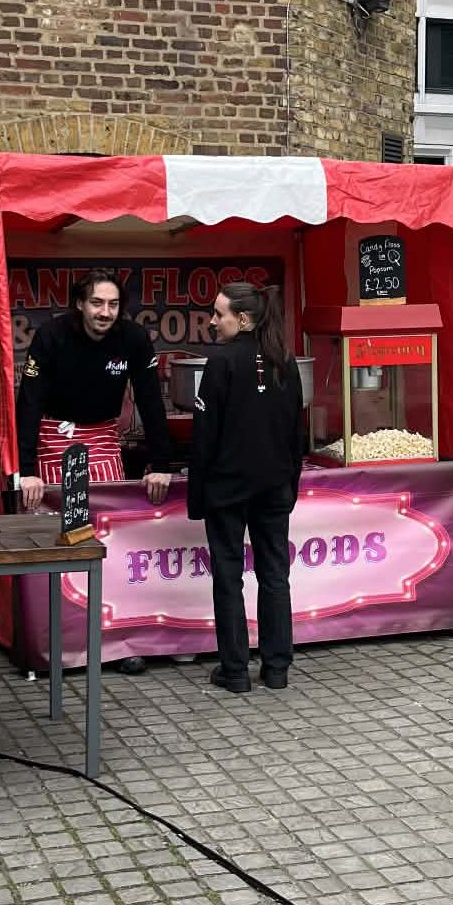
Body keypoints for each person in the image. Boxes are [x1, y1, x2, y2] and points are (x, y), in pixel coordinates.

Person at [15, 270, 175, 674]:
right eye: (97, 303)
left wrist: (161, 465)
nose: (105, 312)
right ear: (80, 305)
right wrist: (26, 470)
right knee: (62, 538)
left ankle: (117, 640)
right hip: (54, 436)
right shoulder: (51, 336)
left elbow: (152, 401)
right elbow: (29, 401)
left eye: (113, 304)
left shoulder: (134, 339)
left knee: (109, 538)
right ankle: (61, 640)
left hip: (104, 438)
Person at [187, 282, 305, 694]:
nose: (213, 321)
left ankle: (235, 671)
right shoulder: (284, 362)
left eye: (219, 314)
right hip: (273, 489)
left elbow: (204, 436)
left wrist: (197, 496)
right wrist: (290, 486)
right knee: (275, 574)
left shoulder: (220, 363)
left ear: (243, 318)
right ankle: (276, 668)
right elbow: (297, 434)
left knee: (228, 575)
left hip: (227, 490)